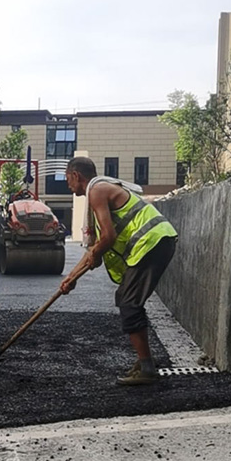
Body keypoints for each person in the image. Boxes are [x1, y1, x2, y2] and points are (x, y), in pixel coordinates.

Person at [60, 156, 178, 386]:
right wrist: (71, 278)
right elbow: (96, 249)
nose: (68, 185)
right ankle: (145, 363)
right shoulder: (99, 191)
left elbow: (108, 238)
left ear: (76, 175)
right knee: (127, 299)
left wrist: (94, 255)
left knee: (129, 302)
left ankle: (147, 368)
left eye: (67, 179)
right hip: (156, 242)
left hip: (152, 242)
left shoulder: (97, 191)